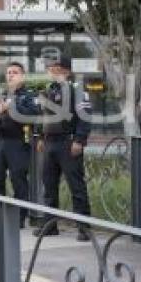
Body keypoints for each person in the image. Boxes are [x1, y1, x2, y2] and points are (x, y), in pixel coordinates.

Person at [33, 55, 93, 241]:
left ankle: (84, 228)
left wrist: (79, 140)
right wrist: (41, 137)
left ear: (66, 71)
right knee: (49, 186)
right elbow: (43, 116)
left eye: (55, 68)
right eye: (50, 68)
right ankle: (50, 225)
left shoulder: (77, 89)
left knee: (76, 186)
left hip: (68, 143)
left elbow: (85, 116)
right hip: (50, 142)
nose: (51, 71)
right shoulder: (50, 89)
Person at [0, 62, 38, 227]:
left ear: (22, 76)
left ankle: (19, 218)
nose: (10, 75)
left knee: (18, 181)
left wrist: (10, 108)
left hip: (18, 142)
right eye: (8, 72)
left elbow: (33, 115)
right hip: (0, 141)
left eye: (14, 72)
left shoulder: (29, 94)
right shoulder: (2, 93)